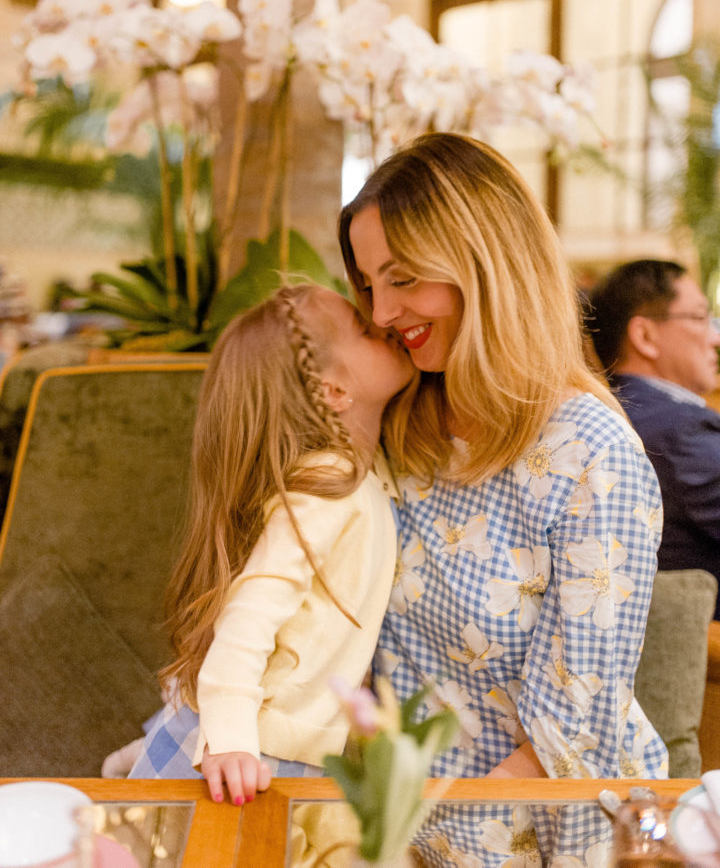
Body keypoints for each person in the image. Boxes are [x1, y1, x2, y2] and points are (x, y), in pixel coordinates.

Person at [339, 133, 667, 864]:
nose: (385, 312)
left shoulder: (592, 454)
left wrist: (413, 834)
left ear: (486, 266)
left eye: (403, 278)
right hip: (393, 818)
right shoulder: (399, 420)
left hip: (538, 832)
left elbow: (566, 734)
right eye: (368, 285)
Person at [127, 282, 414, 806]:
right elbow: (250, 612)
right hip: (256, 743)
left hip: (282, 737)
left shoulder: (363, 472)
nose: (386, 324)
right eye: (365, 329)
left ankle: (139, 753)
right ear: (333, 391)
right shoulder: (327, 482)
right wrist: (232, 741)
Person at [587, 258, 720, 618]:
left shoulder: (603, 414)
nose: (715, 337)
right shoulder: (680, 431)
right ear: (644, 335)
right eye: (698, 317)